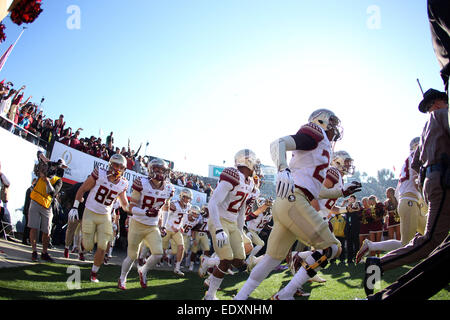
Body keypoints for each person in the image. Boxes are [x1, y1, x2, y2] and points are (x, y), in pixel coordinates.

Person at [235, 109, 360, 300]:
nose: (335, 126)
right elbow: (278, 143)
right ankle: (286, 293)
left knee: (271, 259)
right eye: (332, 122)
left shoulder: (322, 147)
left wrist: (342, 192)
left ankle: (240, 299)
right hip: (294, 200)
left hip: (289, 202)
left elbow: (316, 190)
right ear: (321, 121)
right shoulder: (316, 133)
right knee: (332, 248)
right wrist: (282, 168)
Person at [363, 88, 450, 296]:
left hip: (429, 185)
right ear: (440, 102)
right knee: (428, 240)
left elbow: (418, 161)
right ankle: (377, 263)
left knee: (431, 239)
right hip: (440, 182)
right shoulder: (444, 115)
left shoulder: (425, 130)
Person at [356, 138, 427, 263]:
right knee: (405, 243)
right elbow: (419, 182)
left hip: (410, 201)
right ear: (418, 146)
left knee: (430, 235)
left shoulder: (408, 160)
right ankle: (372, 246)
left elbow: (403, 188)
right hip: (410, 201)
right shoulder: (417, 157)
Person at [203, 149, 258, 300]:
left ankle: (208, 261)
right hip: (219, 220)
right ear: (247, 161)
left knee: (239, 260)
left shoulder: (251, 182)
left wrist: (241, 231)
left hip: (233, 223)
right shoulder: (232, 175)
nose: (256, 165)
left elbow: (241, 210)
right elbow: (213, 202)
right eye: (254, 161)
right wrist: (219, 227)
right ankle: (210, 295)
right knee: (226, 259)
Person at [68, 154, 129, 282]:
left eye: (121, 167)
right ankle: (86, 243)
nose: (118, 169)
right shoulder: (100, 173)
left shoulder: (123, 183)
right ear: (110, 164)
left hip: (105, 216)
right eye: (116, 165)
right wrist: (75, 206)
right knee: (89, 246)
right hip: (90, 211)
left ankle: (94, 273)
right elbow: (83, 188)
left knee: (103, 245)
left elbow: (124, 203)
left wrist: (132, 212)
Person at [118, 158, 174, 289]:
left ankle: (143, 270)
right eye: (158, 170)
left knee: (158, 254)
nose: (161, 173)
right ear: (150, 170)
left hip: (153, 226)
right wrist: (145, 212)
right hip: (137, 223)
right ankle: (122, 278)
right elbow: (130, 207)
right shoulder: (142, 183)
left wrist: (163, 225)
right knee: (132, 255)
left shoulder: (169, 188)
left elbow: (166, 208)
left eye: (163, 170)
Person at [28, 158, 66, 262]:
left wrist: (47, 181)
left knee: (46, 231)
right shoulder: (44, 170)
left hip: (46, 205)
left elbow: (53, 193)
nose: (53, 168)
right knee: (33, 228)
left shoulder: (58, 180)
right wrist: (44, 164)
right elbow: (39, 160)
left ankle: (44, 252)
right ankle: (34, 251)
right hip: (35, 201)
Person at [162, 188, 193, 276]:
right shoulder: (173, 205)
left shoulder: (188, 206)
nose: (187, 200)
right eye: (186, 197)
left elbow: (182, 217)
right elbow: (165, 216)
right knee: (161, 250)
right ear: (181, 197)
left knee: (181, 247)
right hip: (168, 229)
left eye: (188, 198)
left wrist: (181, 226)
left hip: (176, 230)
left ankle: (177, 268)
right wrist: (171, 226)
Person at [345, 195, 362, 264]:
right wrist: (348, 205)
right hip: (348, 228)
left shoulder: (357, 204)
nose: (350, 200)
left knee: (356, 243)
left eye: (352, 199)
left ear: (355, 199)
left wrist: (353, 210)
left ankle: (357, 257)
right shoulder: (348, 206)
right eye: (350, 199)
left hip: (356, 227)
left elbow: (359, 209)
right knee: (349, 244)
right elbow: (347, 210)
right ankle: (349, 259)